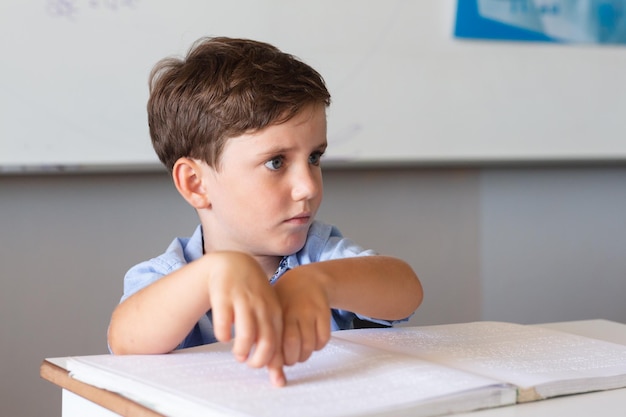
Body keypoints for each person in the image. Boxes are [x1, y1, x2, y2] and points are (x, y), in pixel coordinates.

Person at [107, 36, 423, 387]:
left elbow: (406, 291)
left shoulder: (319, 256)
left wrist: (317, 283)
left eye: (314, 158)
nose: (309, 187)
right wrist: (213, 273)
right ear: (196, 183)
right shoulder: (170, 276)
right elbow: (125, 339)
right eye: (276, 162)